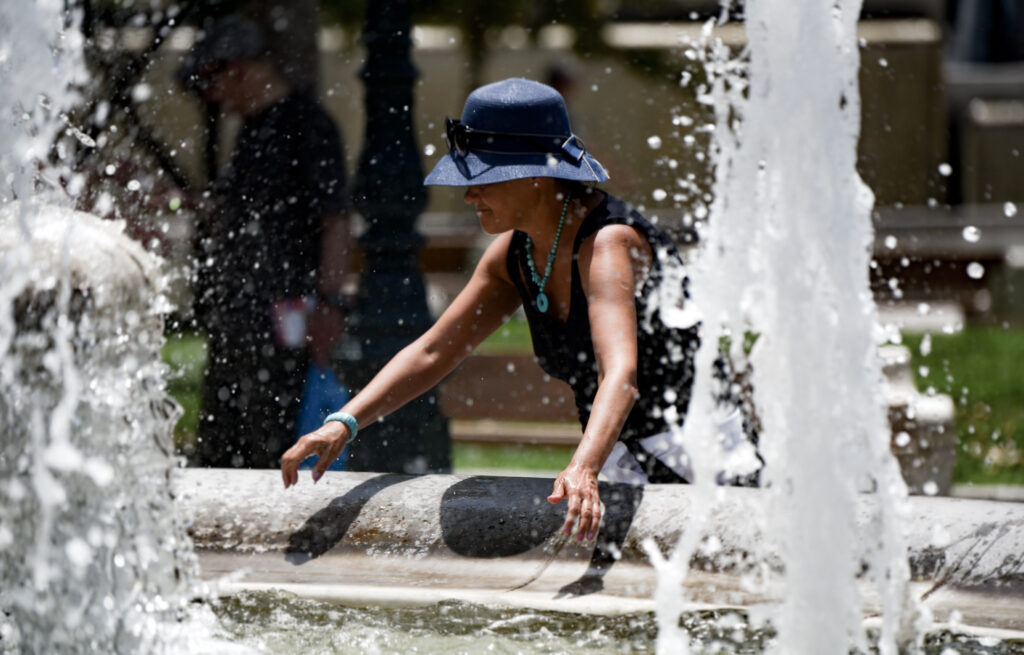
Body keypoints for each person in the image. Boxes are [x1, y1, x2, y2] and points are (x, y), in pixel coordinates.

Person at [281, 78, 748, 542]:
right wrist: (344, 423)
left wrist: (584, 466)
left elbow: (621, 372)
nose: (469, 195)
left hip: (704, 461)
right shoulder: (514, 254)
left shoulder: (609, 243)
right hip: (624, 465)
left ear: (536, 176)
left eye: (482, 179)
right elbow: (433, 352)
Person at [177, 14, 351, 468]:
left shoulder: (307, 124)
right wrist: (177, 204)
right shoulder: (252, 129)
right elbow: (245, 213)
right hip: (239, 316)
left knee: (271, 437)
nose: (209, 95)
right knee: (221, 441)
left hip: (286, 318)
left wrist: (330, 302)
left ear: (236, 67)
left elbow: (335, 219)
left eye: (208, 80)